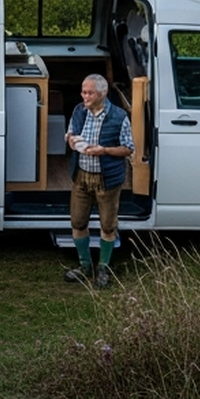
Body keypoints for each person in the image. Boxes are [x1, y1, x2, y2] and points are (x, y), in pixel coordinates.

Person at [63, 73, 132, 287]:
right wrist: (72, 142)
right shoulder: (78, 111)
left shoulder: (119, 116)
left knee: (108, 226)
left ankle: (103, 268)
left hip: (108, 179)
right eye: (83, 92)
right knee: (77, 222)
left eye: (89, 92)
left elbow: (128, 148)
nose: (85, 96)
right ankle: (85, 266)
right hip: (81, 176)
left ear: (102, 93)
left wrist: (104, 150)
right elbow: (70, 134)